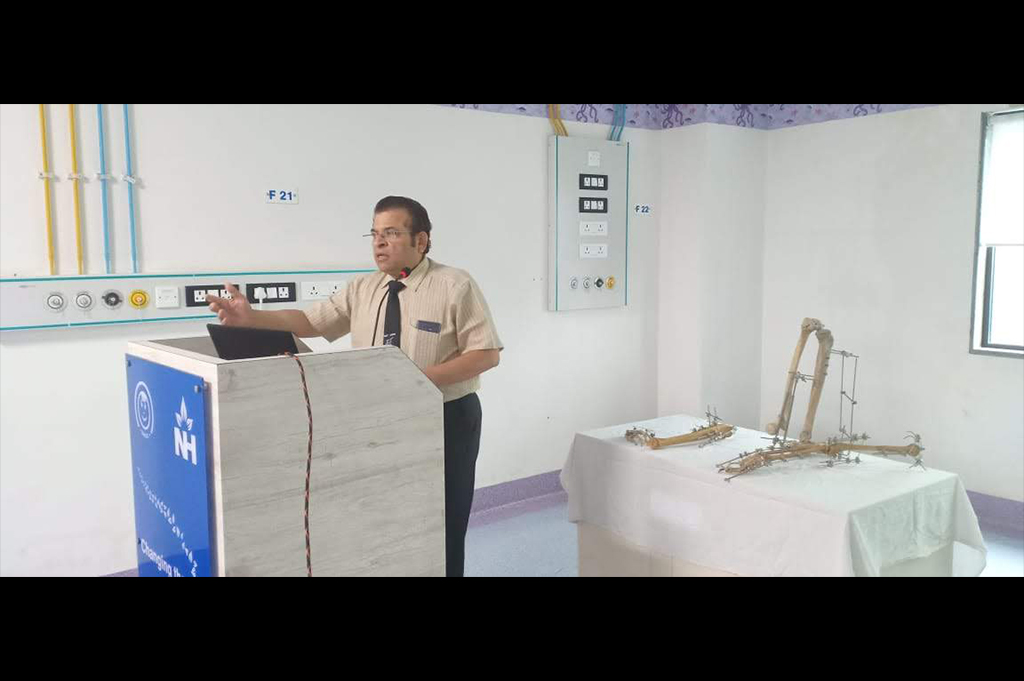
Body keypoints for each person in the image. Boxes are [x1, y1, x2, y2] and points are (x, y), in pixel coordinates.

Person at [206, 196, 503, 577]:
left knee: (443, 520)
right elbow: (310, 322)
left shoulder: (454, 285)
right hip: (377, 418)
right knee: (386, 517)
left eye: (391, 233)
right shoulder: (363, 288)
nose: (379, 243)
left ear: (421, 240)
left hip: (445, 417)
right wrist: (252, 318)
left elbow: (486, 354)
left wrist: (414, 381)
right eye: (375, 234)